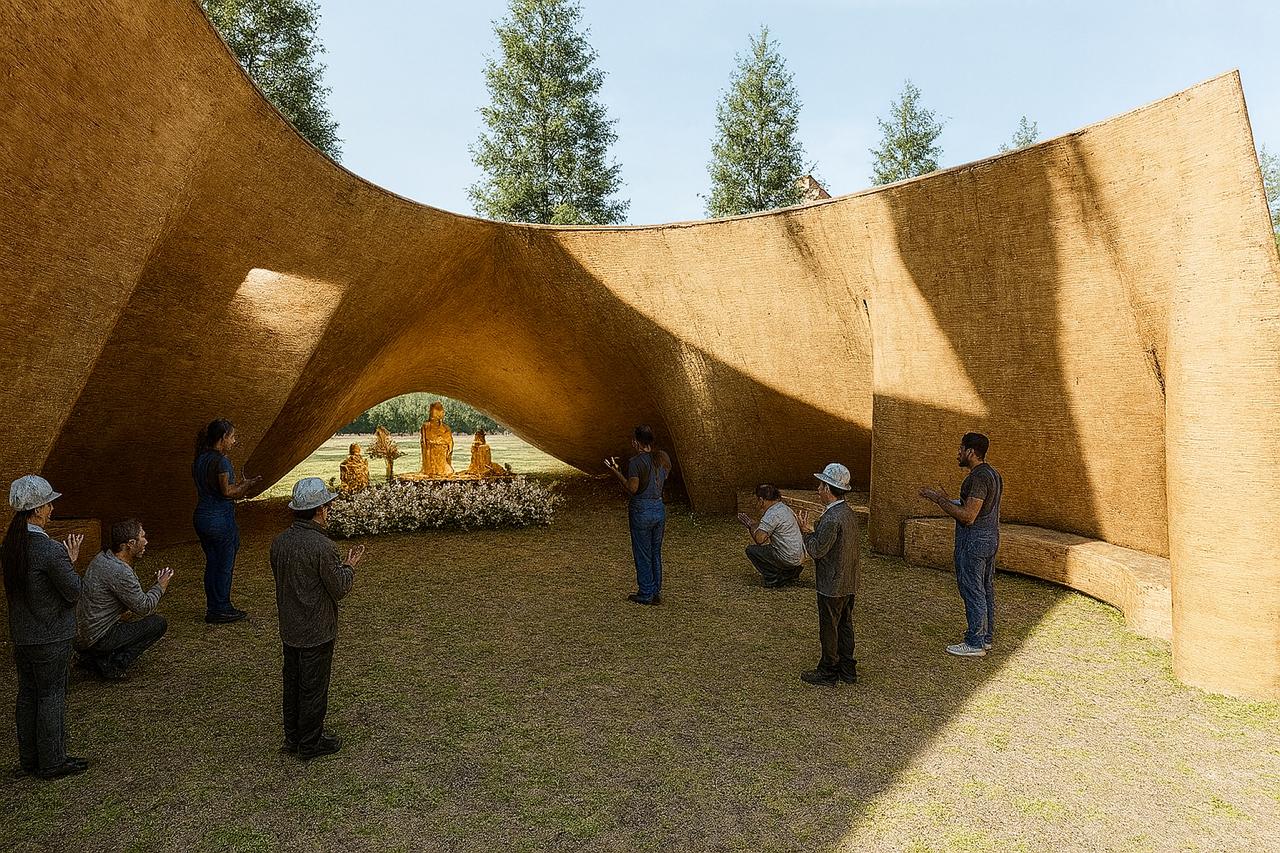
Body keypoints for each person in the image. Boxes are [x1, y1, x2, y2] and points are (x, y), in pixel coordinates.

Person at [271, 478, 364, 760]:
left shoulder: (279, 543)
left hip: (290, 627)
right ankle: (310, 743)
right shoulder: (323, 547)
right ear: (320, 510)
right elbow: (339, 588)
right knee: (313, 688)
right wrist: (349, 567)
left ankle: (294, 738)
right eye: (327, 507)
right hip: (316, 629)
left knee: (293, 684)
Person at [2, 475, 87, 779]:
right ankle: (52, 761)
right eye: (49, 504)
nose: (52, 509)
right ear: (37, 509)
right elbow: (74, 591)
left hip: (23, 634)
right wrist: (71, 561)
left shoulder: (10, 546)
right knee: (51, 695)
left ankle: (30, 759)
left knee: (28, 694)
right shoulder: (49, 550)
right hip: (51, 635)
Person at [919, 432, 1004, 658]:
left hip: (974, 543)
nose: (958, 453)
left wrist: (939, 501)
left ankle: (975, 642)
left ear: (971, 452)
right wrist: (946, 500)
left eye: (961, 449)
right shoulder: (993, 474)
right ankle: (985, 638)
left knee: (973, 589)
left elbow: (968, 516)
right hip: (990, 539)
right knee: (985, 588)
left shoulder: (978, 478)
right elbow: (976, 507)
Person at [74, 519, 173, 680]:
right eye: (142, 537)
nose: (146, 542)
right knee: (157, 623)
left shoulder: (102, 558)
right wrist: (160, 586)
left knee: (127, 617)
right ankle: (114, 665)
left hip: (83, 632)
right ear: (130, 544)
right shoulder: (119, 571)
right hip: (97, 636)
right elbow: (144, 607)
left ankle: (92, 658)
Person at [795, 464, 860, 687]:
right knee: (845, 625)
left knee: (830, 628)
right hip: (848, 581)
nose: (818, 489)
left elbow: (817, 550)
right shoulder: (848, 513)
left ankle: (828, 671)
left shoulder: (832, 518)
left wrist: (806, 532)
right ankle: (847, 670)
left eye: (821, 485)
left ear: (828, 489)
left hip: (832, 584)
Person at [192, 419, 260, 624]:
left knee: (212, 562)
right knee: (223, 564)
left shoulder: (199, 459)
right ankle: (221, 608)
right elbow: (227, 492)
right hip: (219, 519)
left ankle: (213, 606)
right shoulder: (221, 462)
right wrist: (246, 485)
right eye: (232, 437)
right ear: (222, 438)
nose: (234, 441)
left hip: (202, 516)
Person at [604, 425, 671, 606]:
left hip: (641, 509)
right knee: (655, 551)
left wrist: (617, 472)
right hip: (658, 507)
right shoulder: (662, 458)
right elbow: (664, 476)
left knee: (642, 552)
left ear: (636, 442)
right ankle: (656, 590)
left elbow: (632, 488)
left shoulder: (636, 462)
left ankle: (646, 592)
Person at [736, 484, 805, 587]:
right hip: (799, 556)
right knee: (771, 548)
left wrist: (751, 525)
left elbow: (759, 539)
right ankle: (791, 572)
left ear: (761, 500)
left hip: (788, 557)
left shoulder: (772, 514)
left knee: (752, 550)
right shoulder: (785, 508)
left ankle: (774, 578)